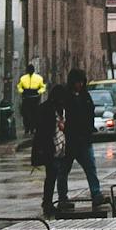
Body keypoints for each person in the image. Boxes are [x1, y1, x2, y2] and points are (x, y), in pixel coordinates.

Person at [64, 67, 106, 211]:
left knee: (90, 167)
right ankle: (63, 198)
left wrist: (89, 130)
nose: (80, 85)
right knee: (64, 170)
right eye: (78, 82)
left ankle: (96, 194)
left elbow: (90, 114)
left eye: (82, 82)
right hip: (69, 141)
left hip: (84, 140)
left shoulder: (85, 96)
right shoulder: (66, 97)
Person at [31, 84, 70, 216]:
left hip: (58, 147)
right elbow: (43, 131)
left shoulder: (59, 109)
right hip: (50, 147)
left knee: (52, 176)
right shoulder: (47, 109)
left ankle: (47, 202)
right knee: (51, 176)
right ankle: (47, 203)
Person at [17, 63, 46, 136]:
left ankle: (31, 129)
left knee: (33, 115)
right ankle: (28, 129)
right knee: (27, 115)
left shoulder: (38, 78)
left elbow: (43, 87)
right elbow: (19, 87)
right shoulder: (23, 78)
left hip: (34, 99)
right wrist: (22, 92)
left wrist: (38, 92)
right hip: (27, 99)